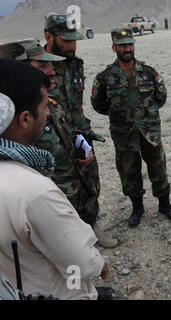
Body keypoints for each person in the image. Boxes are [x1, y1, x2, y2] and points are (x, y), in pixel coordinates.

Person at [0, 58, 108, 299]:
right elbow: (80, 261)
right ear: (26, 118)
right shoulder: (33, 192)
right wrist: (99, 264)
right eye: (43, 106)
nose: (48, 111)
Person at [0, 39, 119, 249]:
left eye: (49, 65)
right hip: (52, 195)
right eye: (42, 66)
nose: (51, 71)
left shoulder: (48, 102)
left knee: (84, 207)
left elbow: (68, 126)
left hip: (73, 176)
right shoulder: (10, 122)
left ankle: (89, 229)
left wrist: (80, 143)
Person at [91, 27, 171, 228]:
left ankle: (165, 205)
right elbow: (98, 105)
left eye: (130, 44)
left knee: (158, 167)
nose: (127, 48)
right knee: (129, 171)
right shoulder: (105, 77)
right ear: (114, 48)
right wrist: (121, 117)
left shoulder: (148, 72)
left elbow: (161, 98)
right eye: (122, 45)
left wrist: (145, 117)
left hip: (149, 132)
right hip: (124, 135)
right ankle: (137, 208)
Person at [43, 13, 116, 246]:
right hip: (55, 141)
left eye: (75, 40)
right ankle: (71, 240)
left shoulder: (76, 64)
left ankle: (92, 226)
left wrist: (81, 137)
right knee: (64, 190)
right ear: (48, 37)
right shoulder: (39, 68)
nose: (72, 45)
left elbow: (76, 104)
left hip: (80, 134)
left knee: (91, 182)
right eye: (66, 40)